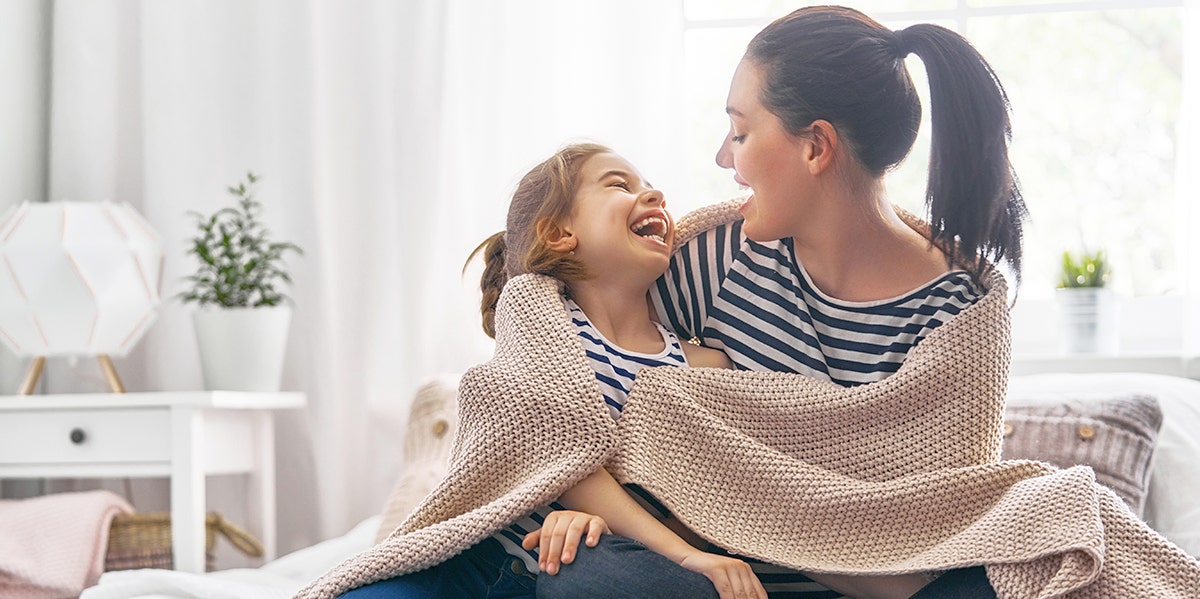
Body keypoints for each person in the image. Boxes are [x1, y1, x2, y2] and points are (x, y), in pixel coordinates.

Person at [535, 5, 1026, 598]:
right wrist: (575, 501)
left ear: (816, 146)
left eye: (741, 133)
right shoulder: (716, 261)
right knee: (588, 578)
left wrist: (770, 514)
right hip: (706, 587)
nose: (725, 157)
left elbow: (934, 539)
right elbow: (570, 388)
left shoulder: (958, 314)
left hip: (882, 590)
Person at [337, 142, 771, 599]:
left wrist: (610, 537)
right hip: (480, 564)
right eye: (619, 185)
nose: (654, 195)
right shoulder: (538, 314)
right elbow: (554, 445)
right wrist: (684, 555)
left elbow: (716, 495)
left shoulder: (705, 365)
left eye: (650, 188)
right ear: (560, 234)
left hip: (586, 572)